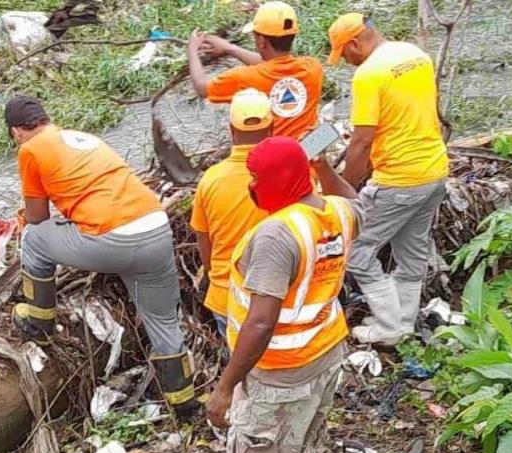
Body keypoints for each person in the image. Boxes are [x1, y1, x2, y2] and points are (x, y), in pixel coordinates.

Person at [5, 95, 199, 418]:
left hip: (113, 240)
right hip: (155, 230)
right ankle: (184, 403)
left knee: (35, 239)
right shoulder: (85, 138)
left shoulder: (30, 149)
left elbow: (38, 217)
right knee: (164, 321)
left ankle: (39, 321)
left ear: (16, 131)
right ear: (46, 118)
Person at [206, 136, 362, 453]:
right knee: (299, 452)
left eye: (257, 177)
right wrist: (323, 167)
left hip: (279, 372)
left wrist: (226, 387)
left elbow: (261, 322)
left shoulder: (277, 235)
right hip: (324, 355)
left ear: (278, 180)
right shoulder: (336, 212)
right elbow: (354, 199)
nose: (251, 185)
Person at [327, 13, 449, 346]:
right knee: (412, 252)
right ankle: (403, 322)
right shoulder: (414, 55)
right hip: (434, 171)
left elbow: (362, 141)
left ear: (354, 43)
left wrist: (346, 190)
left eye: (345, 54)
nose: (347, 62)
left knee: (357, 250)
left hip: (399, 178)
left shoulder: (369, 74)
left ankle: (388, 326)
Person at [190, 88, 271, 338]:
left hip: (227, 296)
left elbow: (204, 240)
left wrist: (213, 275)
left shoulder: (210, 179)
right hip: (275, 298)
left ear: (231, 130)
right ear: (272, 130)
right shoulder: (292, 171)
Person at [187, 1, 324, 140]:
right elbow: (273, 64)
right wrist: (230, 49)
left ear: (262, 41)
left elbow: (202, 87)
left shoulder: (244, 78)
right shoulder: (313, 67)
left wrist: (192, 50)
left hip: (274, 158)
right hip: (310, 152)